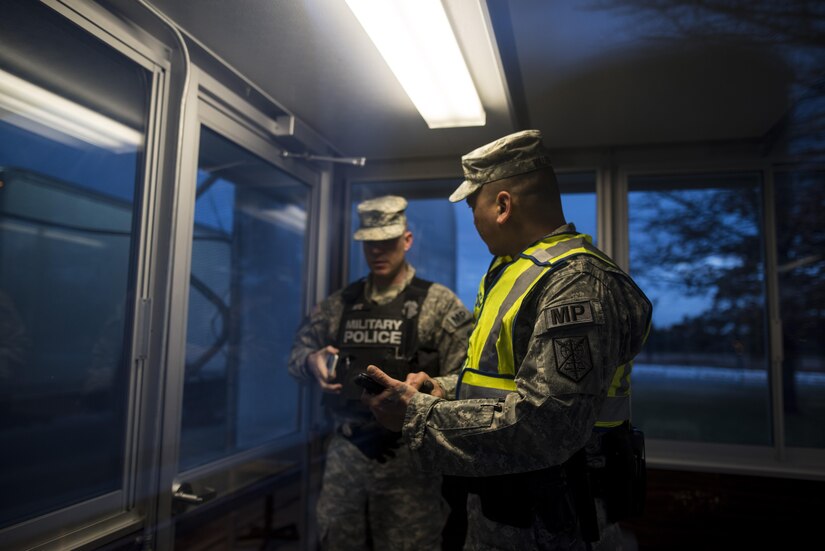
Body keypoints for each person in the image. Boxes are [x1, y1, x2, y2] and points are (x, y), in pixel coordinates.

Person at [363, 130, 653, 550]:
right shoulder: (514, 272)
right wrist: (441, 388)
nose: (473, 219)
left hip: (552, 523)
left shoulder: (576, 284)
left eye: (472, 205)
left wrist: (418, 416)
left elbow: (548, 425)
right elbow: (503, 381)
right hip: (505, 509)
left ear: (502, 205)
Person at [287, 195, 473, 550]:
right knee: (336, 539)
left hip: (410, 457)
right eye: (370, 243)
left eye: (386, 242)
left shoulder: (438, 303)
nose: (377, 251)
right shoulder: (341, 304)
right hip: (347, 450)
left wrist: (431, 386)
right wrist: (311, 363)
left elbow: (468, 377)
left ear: (406, 240)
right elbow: (297, 355)